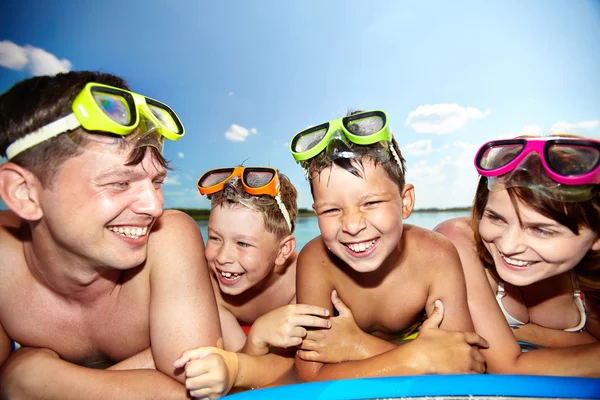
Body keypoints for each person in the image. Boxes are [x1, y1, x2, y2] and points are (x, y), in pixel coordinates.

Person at [0, 71, 223, 399]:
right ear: (25, 194)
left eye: (156, 182)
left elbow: (193, 389)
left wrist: (36, 380)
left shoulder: (168, 238)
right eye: (119, 183)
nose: (155, 206)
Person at [287, 110, 488, 382]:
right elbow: (309, 375)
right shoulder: (316, 261)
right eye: (332, 210)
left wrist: (361, 346)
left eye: (370, 203)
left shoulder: (435, 256)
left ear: (405, 202)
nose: (352, 225)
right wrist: (416, 358)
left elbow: (466, 363)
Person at [435, 135, 600, 376]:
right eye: (496, 218)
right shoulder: (458, 241)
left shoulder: (591, 270)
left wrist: (529, 334)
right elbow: (505, 366)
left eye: (541, 230)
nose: (509, 246)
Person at [173, 166, 331, 396]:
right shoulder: (209, 287)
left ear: (282, 250)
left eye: (243, 244)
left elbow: (300, 368)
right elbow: (239, 367)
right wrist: (257, 336)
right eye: (215, 238)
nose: (223, 257)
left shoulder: (302, 277)